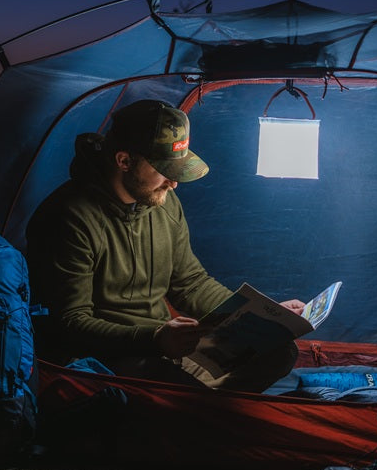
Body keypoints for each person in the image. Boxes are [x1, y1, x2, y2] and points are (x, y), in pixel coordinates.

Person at [26, 99, 302, 392]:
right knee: (177, 384)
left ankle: (196, 406)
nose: (174, 183)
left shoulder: (163, 203)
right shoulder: (69, 217)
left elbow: (191, 283)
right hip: (107, 355)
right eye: (164, 169)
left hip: (162, 346)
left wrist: (257, 316)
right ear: (124, 161)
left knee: (280, 351)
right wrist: (155, 339)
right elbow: (70, 323)